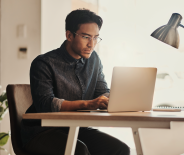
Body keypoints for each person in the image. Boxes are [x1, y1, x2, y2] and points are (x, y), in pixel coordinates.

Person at [21, 9, 130, 155]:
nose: (92, 44)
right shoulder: (44, 63)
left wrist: (116, 98)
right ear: (69, 35)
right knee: (78, 151)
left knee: (120, 149)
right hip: (41, 131)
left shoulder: (94, 59)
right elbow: (46, 104)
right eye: (86, 37)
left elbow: (101, 92)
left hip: (76, 128)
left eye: (96, 37)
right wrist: (89, 104)